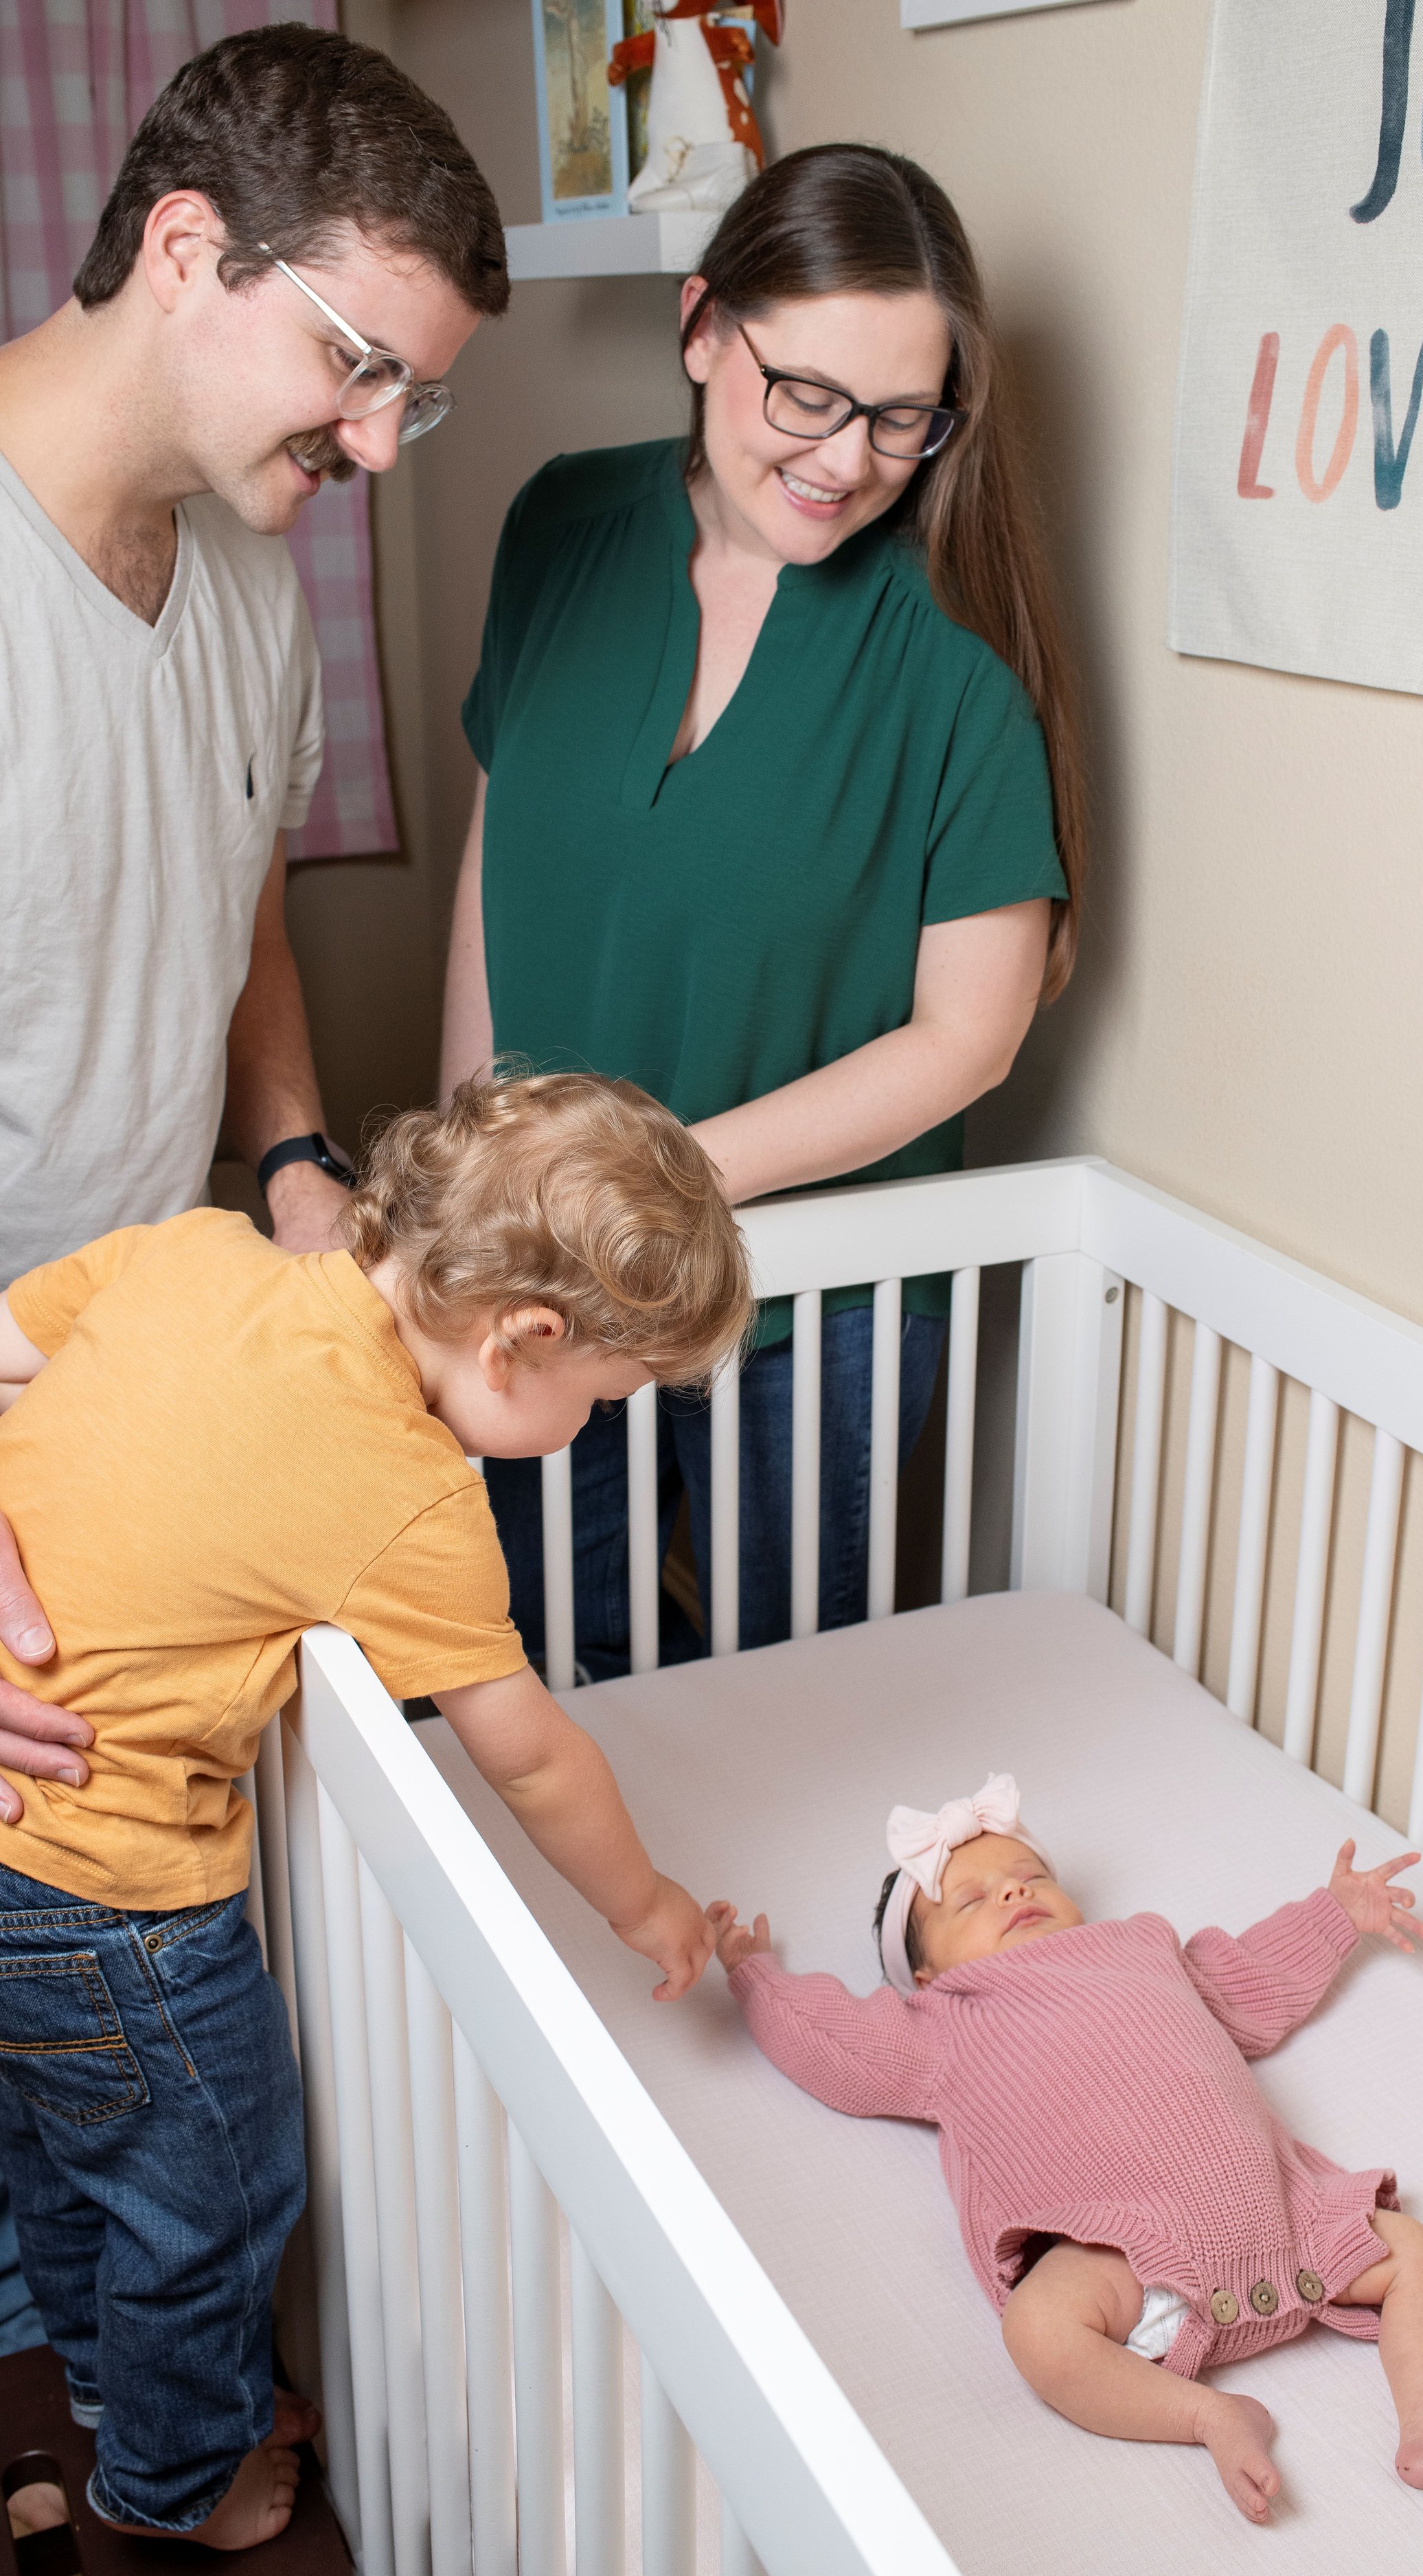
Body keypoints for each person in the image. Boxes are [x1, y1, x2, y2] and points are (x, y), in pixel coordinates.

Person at [0, 21, 510, 2350]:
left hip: (136, 1399)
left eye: (417, 398)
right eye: (359, 371)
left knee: (82, 2045)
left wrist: (299, 1155)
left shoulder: (232, 584)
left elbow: (247, 898)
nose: (382, 445)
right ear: (190, 249)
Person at [0, 1072, 750, 2547]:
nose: (594, 1432)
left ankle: (106, 2382)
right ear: (519, 1338)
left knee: (57, 2139)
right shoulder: (408, 1499)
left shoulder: (194, 1248)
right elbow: (530, 1756)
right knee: (209, 2184)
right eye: (604, 1404)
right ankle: (177, 2483)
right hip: (111, 1886)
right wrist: (646, 1903)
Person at [442, 143, 1085, 1675]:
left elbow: (965, 1041)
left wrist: (652, 1187)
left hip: (810, 1318)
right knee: (545, 1666)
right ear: (699, 330)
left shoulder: (954, 669)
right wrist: (473, 1159)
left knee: (786, 1704)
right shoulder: (558, 529)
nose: (847, 456)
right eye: (805, 393)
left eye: (899, 417)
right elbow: (497, 853)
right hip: (532, 1267)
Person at [715, 1775, 1423, 2525]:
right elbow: (832, 2048)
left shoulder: (1143, 1950)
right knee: (1039, 2330)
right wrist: (755, 1977)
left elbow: (1247, 1980)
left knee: (1415, 2250)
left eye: (1029, 1876)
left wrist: (1334, 1915)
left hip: (1283, 2216)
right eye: (972, 1902)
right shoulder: (942, 2021)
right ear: (928, 1975)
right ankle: (1204, 2415)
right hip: (1124, 2251)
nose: (1013, 1895)